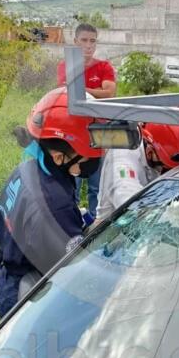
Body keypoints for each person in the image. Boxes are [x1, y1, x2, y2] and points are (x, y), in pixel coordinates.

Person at [0, 88, 103, 317]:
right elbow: (74, 268)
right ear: (59, 156)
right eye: (86, 156)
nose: (92, 161)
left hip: (9, 275)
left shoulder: (27, 168)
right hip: (30, 291)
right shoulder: (54, 203)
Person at [56, 23, 116, 218]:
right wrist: (94, 92)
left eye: (92, 41)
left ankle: (95, 222)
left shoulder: (104, 67)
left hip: (99, 131)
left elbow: (109, 93)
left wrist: (80, 89)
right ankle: (71, 222)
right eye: (84, 40)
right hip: (73, 133)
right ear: (75, 41)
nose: (88, 45)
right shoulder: (66, 66)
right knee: (72, 182)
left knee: (96, 185)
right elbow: (64, 93)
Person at [96, 121, 179, 221]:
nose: (170, 171)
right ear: (150, 151)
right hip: (115, 227)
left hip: (154, 204)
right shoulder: (122, 162)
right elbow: (133, 207)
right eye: (166, 167)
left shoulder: (158, 141)